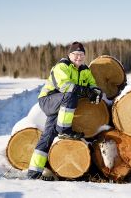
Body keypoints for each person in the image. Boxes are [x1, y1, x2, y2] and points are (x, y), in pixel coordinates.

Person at [27, 41, 103, 180]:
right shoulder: (62, 66)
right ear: (69, 55)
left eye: (81, 55)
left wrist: (96, 92)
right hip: (48, 100)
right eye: (76, 54)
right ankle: (64, 130)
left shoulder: (85, 70)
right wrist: (86, 92)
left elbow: (92, 84)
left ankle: (33, 173)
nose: (79, 57)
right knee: (70, 93)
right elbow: (66, 87)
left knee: (48, 136)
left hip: (62, 105)